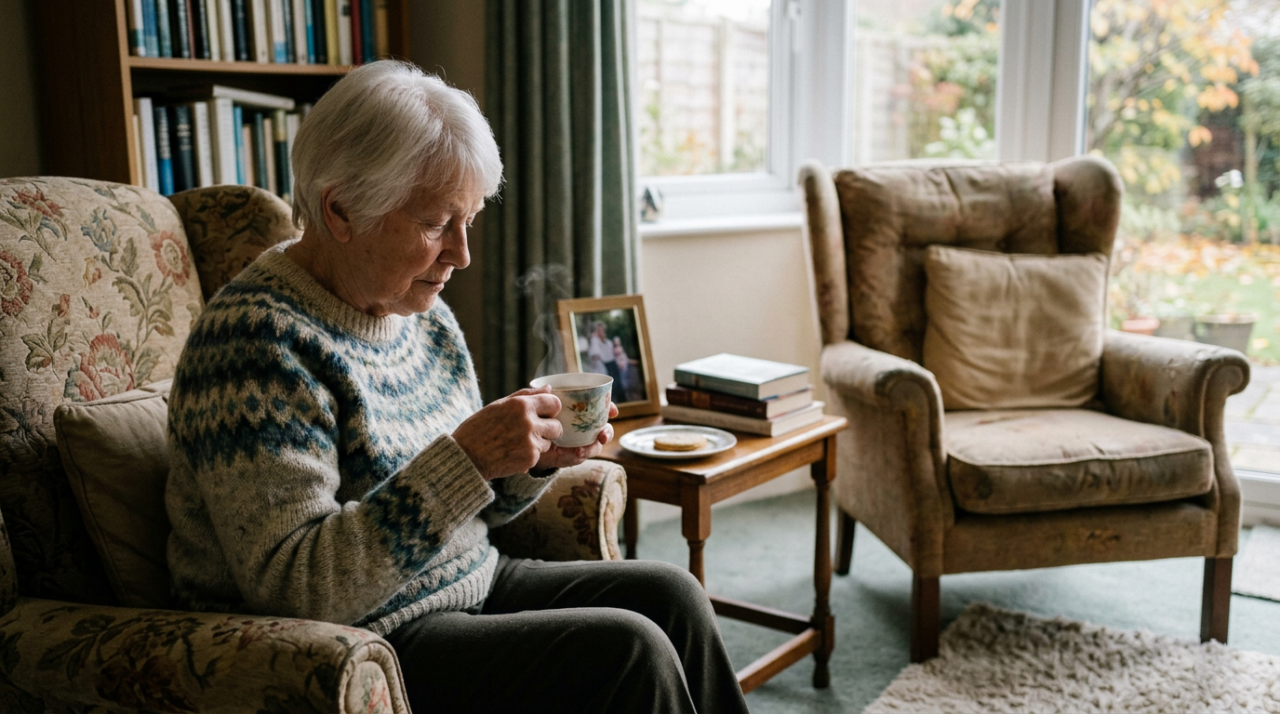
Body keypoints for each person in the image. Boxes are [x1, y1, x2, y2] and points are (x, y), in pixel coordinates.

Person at [164, 61, 749, 714]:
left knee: (673, 596)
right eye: (438, 223)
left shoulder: (425, 317)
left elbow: (476, 513)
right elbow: (298, 586)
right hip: (363, 642)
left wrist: (526, 464)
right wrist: (466, 459)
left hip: (467, 583)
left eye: (468, 220)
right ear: (342, 209)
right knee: (628, 650)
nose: (462, 254)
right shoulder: (255, 346)